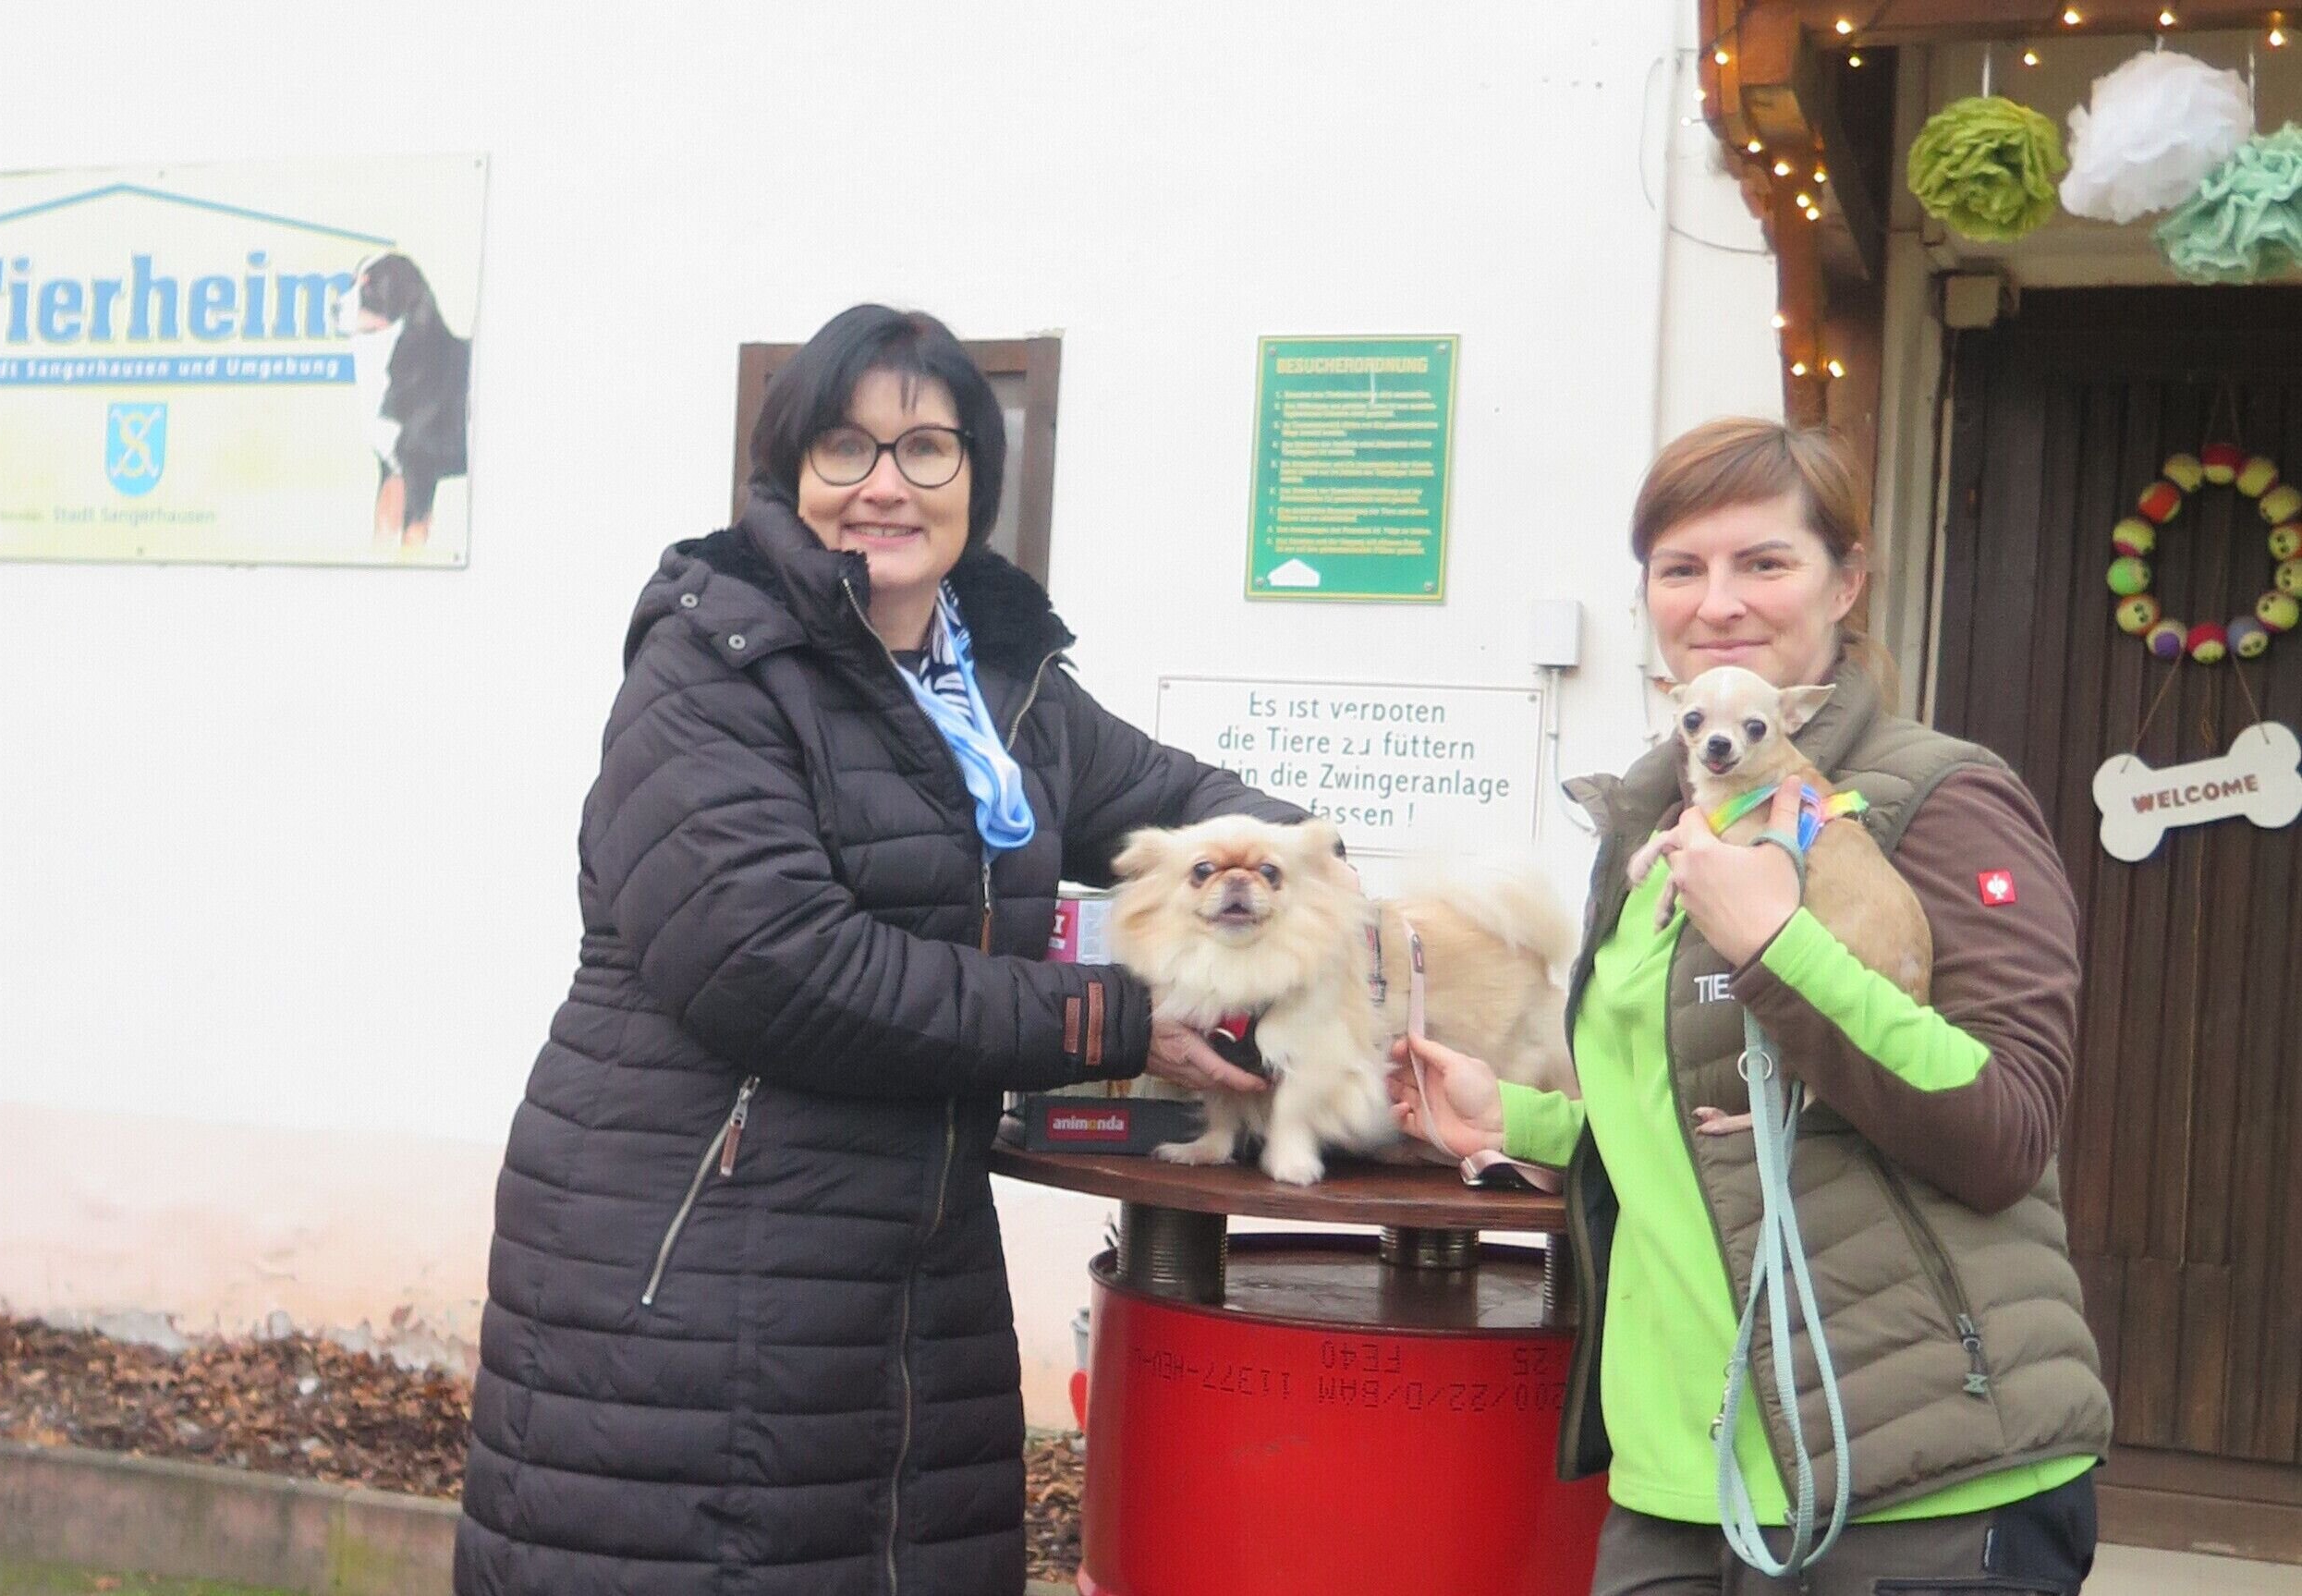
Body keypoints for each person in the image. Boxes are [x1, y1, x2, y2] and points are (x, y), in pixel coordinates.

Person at [455, 304, 1282, 1596]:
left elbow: (1195, 804)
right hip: (697, 1256)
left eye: (928, 449)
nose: (886, 483)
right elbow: (778, 965)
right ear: (789, 473)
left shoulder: (1006, 690)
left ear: (977, 484)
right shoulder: (712, 667)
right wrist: (1110, 1016)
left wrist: (1335, 888)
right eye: (846, 446)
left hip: (907, 1269)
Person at [1391, 419, 2112, 1595]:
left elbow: (2004, 1129)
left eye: (1763, 562)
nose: (1717, 599)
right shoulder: (1652, 823)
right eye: (1680, 567)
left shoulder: (1941, 798)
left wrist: (1778, 941)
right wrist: (1516, 1121)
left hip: (1909, 1470)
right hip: (1680, 1472)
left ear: (1848, 580)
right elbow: (1703, 1122)